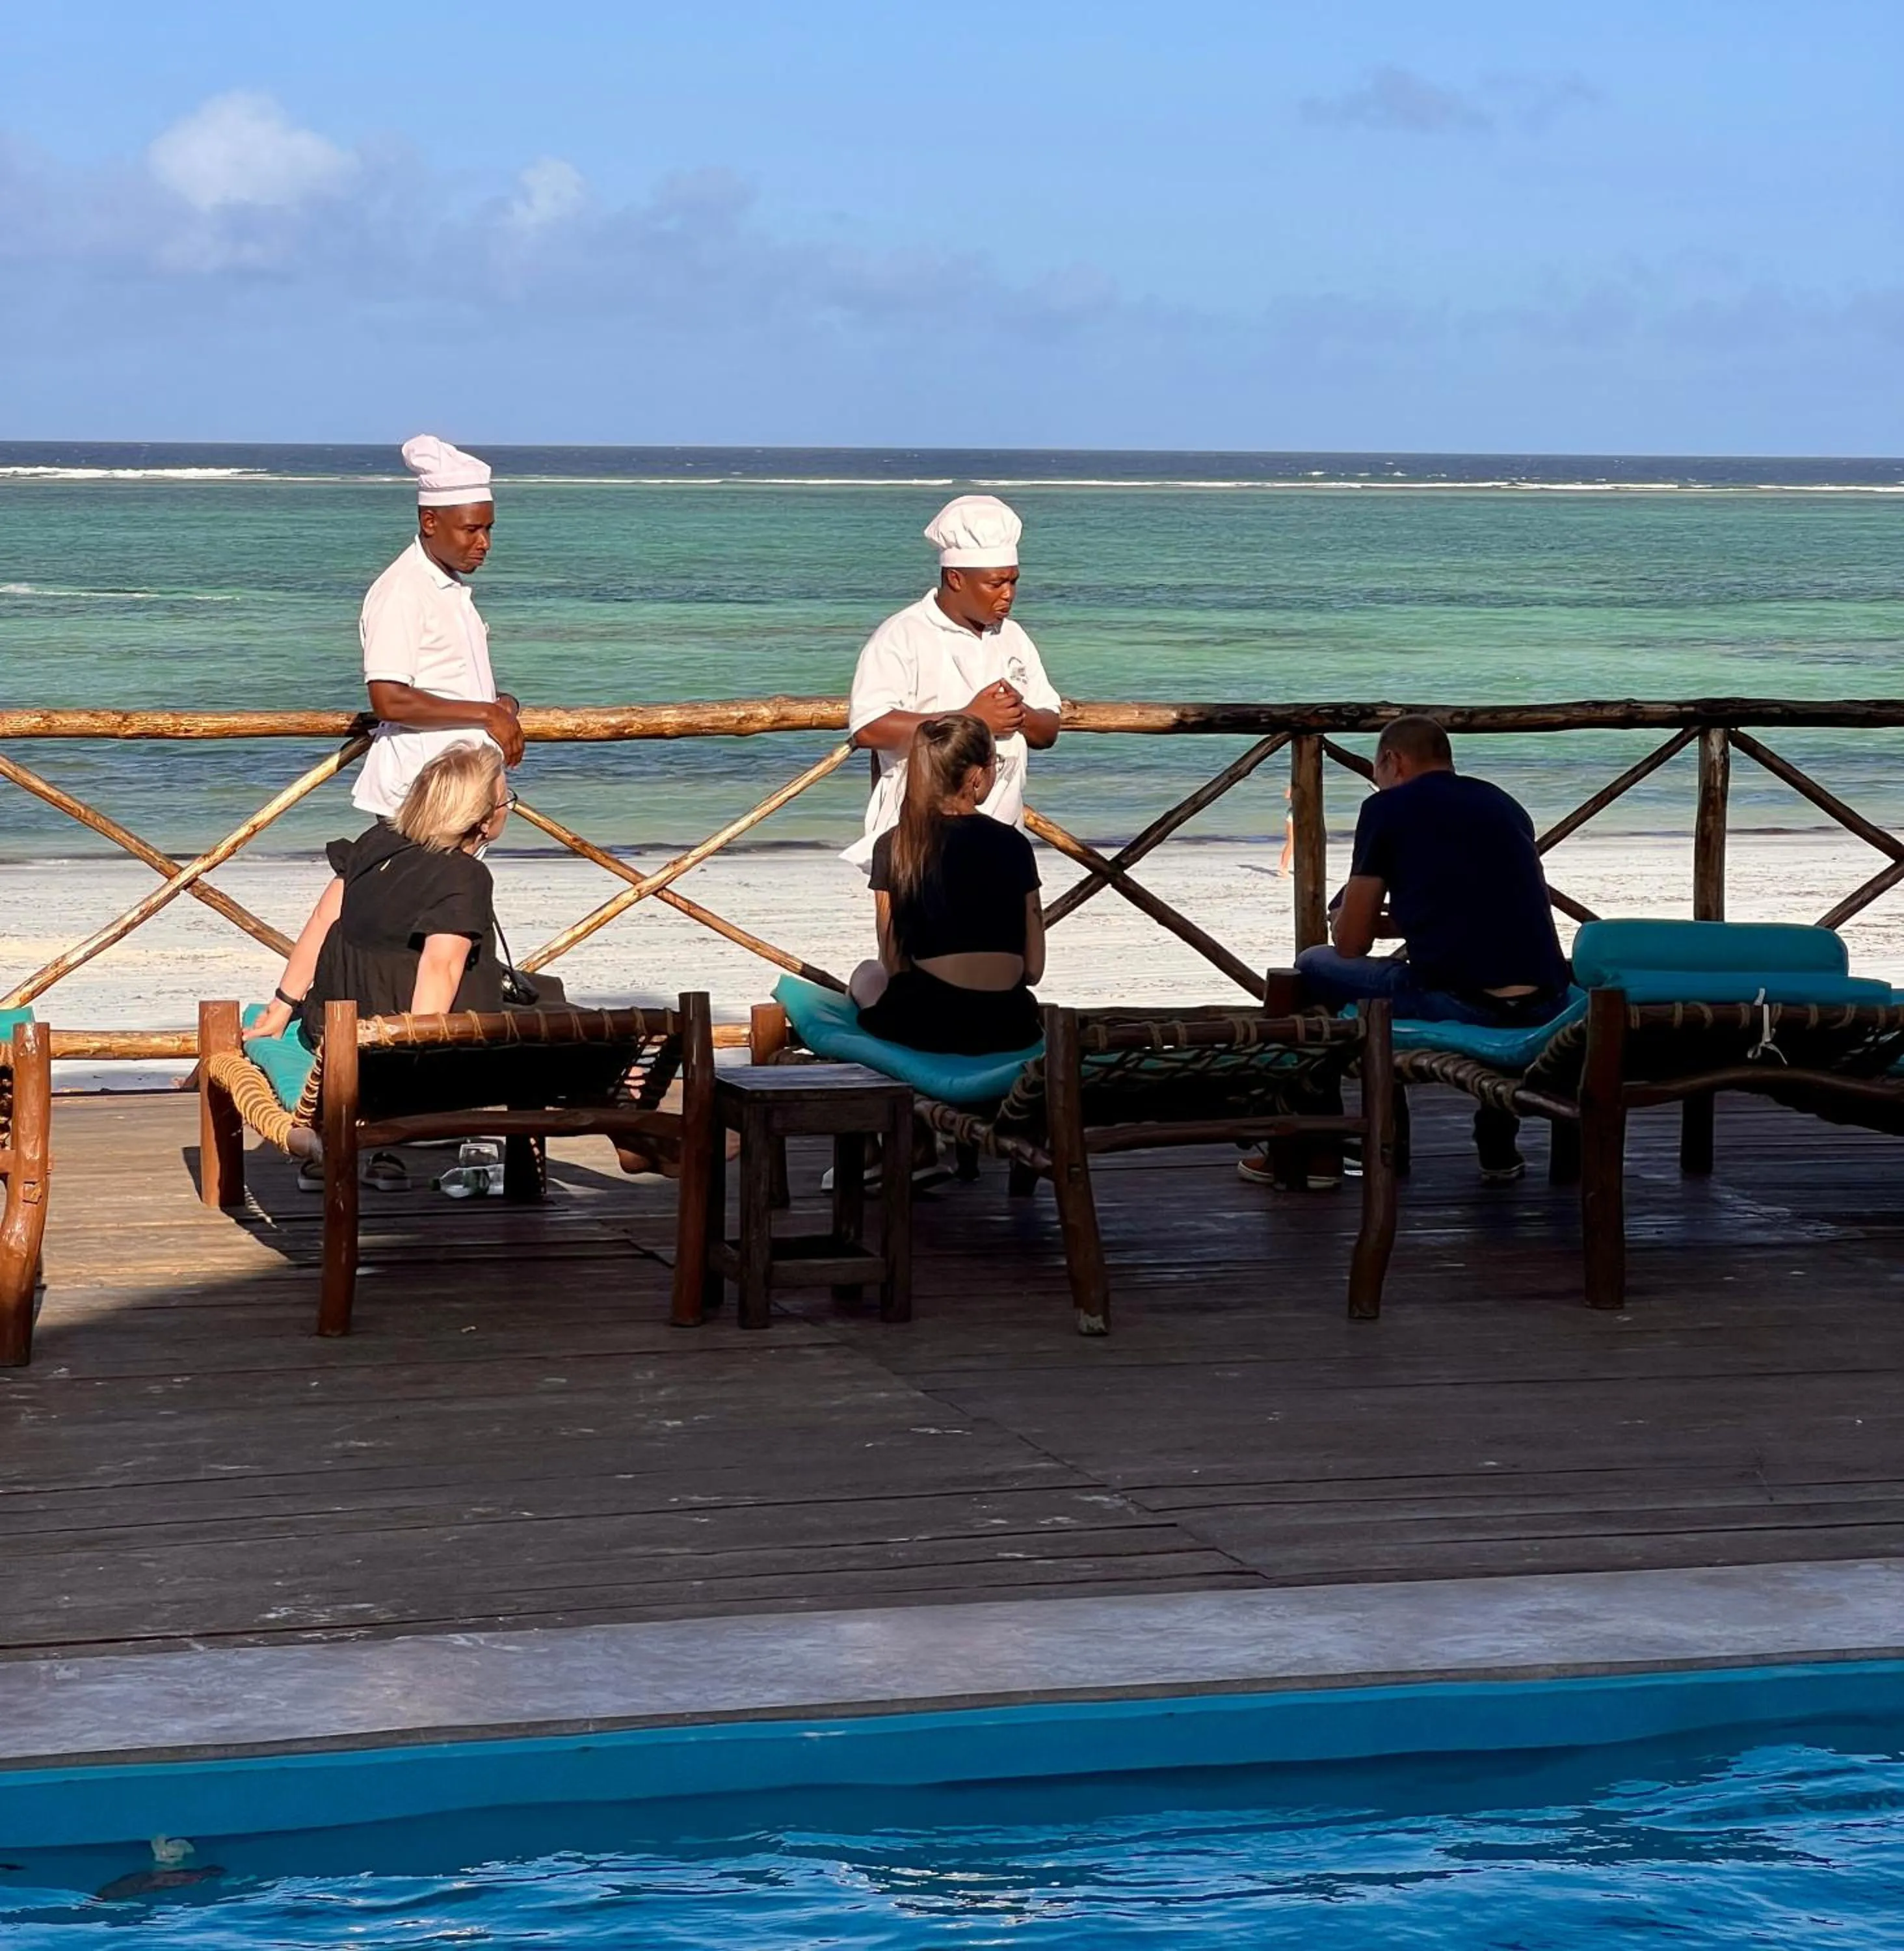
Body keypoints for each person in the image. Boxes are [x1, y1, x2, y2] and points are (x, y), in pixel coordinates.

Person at [247, 434, 523, 1043]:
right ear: (430, 521)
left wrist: (501, 708)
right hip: (425, 795)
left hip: (461, 792)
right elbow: (389, 698)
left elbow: (455, 677)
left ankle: (347, 1019)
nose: (483, 542)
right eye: (470, 529)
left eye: (489, 529)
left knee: (428, 931)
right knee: (425, 939)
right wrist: (487, 713)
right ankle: (416, 1044)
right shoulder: (404, 591)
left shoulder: (446, 587)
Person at [1248, 715, 1570, 1185]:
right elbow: (1472, 909)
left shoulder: (1387, 809)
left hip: (1465, 1000)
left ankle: (1317, 1153)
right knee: (1482, 972)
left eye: (1377, 771)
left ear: (1392, 762)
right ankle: (1497, 1145)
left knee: (1310, 966)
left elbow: (1351, 944)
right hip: (1547, 999)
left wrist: (1343, 919)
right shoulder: (1503, 804)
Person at [843, 494, 1061, 873]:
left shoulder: (1014, 638)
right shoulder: (904, 635)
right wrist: (970, 721)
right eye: (995, 584)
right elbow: (868, 727)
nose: (1008, 594)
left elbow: (1049, 728)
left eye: (1013, 581)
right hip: (920, 841)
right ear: (956, 579)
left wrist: (1018, 715)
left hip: (1002, 837)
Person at [850, 714, 1045, 1055]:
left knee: (865, 974)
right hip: (1011, 1023)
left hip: (932, 1025)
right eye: (994, 763)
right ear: (975, 776)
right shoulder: (1016, 844)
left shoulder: (896, 845)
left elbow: (894, 964)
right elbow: (1033, 969)